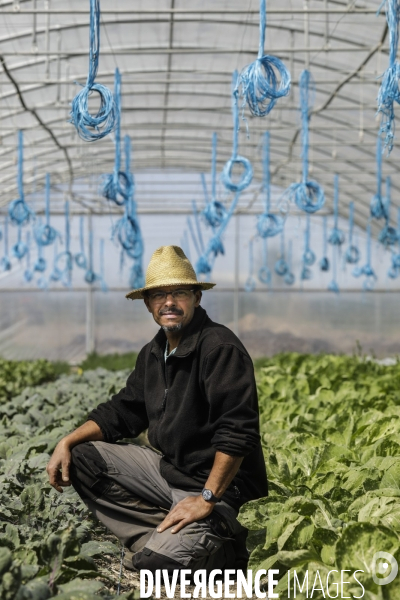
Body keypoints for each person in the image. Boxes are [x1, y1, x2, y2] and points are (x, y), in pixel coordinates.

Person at [46, 245, 268, 575]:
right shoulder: (155, 350)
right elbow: (123, 411)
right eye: (160, 295)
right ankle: (169, 532)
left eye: (179, 292)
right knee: (82, 459)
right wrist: (66, 441)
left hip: (223, 490)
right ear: (148, 303)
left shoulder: (219, 349)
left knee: (154, 567)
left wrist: (206, 498)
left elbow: (237, 433)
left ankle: (224, 545)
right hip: (171, 473)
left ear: (196, 297)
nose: (169, 302)